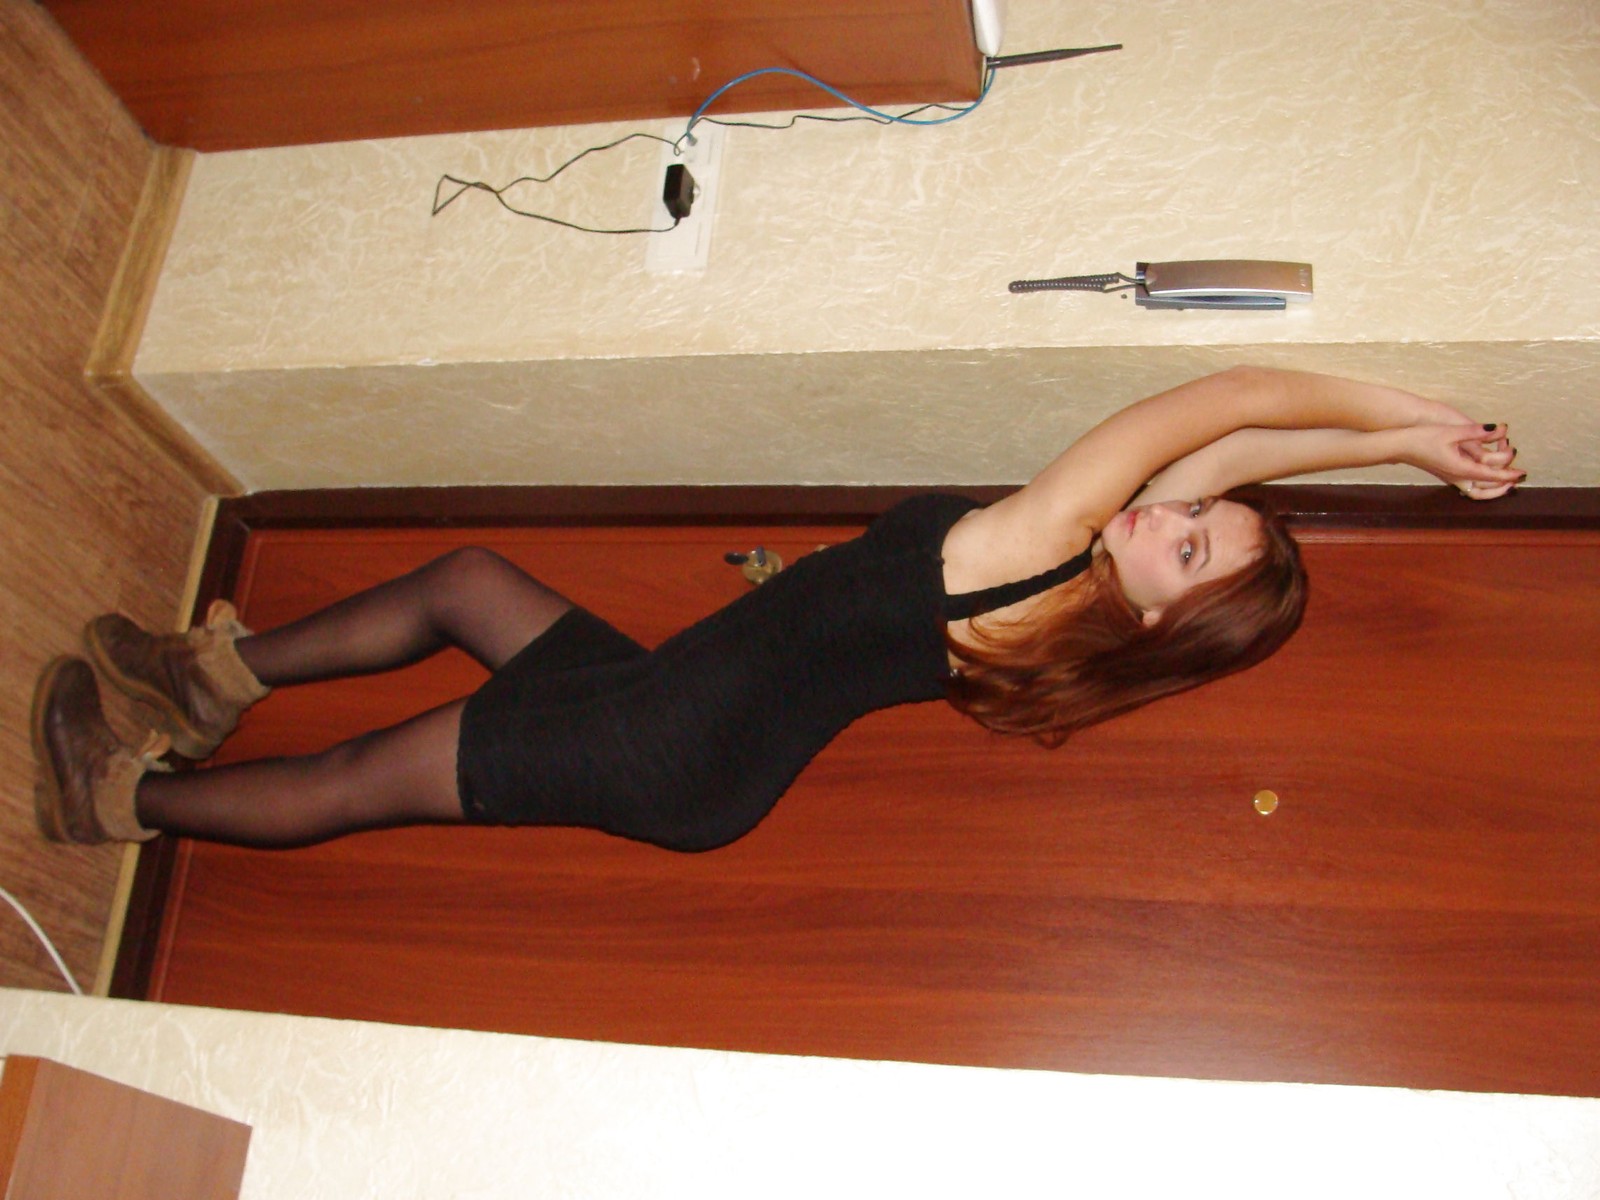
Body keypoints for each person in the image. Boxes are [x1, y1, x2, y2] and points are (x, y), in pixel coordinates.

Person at [31, 367, 1523, 851]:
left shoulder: (1041, 551)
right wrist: (1399, 452)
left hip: (667, 750)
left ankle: (123, 799)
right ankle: (204, 678)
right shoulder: (1084, 582)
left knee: (372, 772)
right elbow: (1234, 447)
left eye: (1189, 552)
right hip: (687, 699)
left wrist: (1407, 409)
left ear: (1158, 620)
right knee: (468, 582)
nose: (1170, 515)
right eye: (1192, 517)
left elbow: (1228, 397)